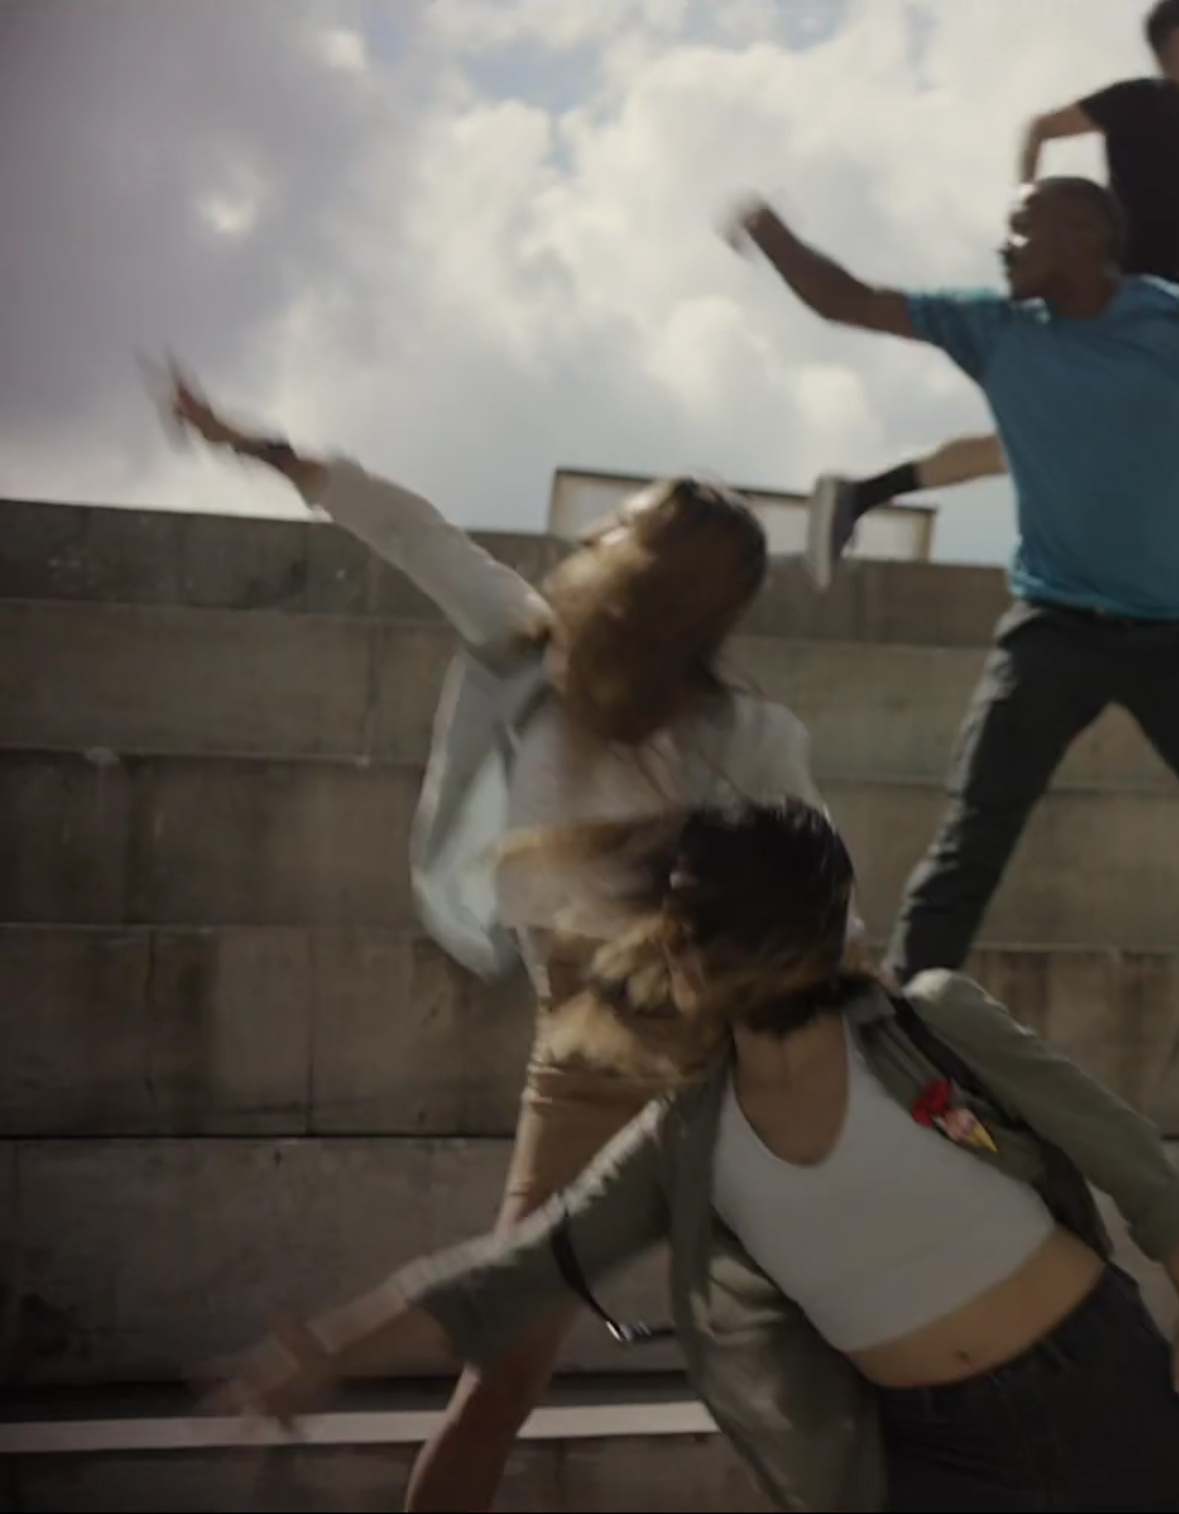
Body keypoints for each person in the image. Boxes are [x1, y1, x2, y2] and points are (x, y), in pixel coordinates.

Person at [204, 798, 1179, 1513]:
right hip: (940, 1458)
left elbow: (1118, 1143)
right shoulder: (686, 1139)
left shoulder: (929, 1021)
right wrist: (332, 1347)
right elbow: (521, 1271)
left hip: (1109, 1385)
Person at [153, 366, 835, 1509]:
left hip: (727, 1054)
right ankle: (324, 1367)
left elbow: (826, 895)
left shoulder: (752, 732)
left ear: (656, 569)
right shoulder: (530, 649)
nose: (597, 537)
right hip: (586, 1044)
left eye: (624, 526)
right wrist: (250, 442)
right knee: (504, 1364)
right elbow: (411, 530)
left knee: (816, 1354)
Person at [729, 177, 1179, 1143]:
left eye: (1022, 228)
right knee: (969, 844)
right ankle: (894, 1053)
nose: (1003, 246)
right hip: (1052, 630)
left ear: (1085, 234)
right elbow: (846, 299)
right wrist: (766, 226)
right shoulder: (994, 326)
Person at [800, 0, 1179, 670]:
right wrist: (1031, 227)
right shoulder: (1137, 101)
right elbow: (1042, 128)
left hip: (1162, 328)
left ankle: (860, 494)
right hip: (1104, 311)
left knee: (1046, 445)